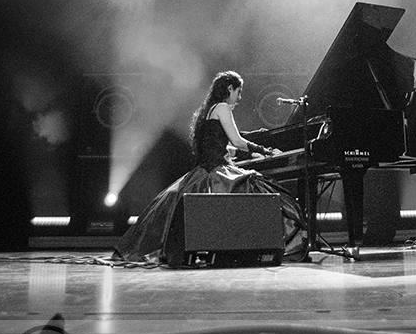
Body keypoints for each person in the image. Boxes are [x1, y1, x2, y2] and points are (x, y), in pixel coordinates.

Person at [113, 71, 306, 264]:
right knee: (267, 193)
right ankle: (274, 246)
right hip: (216, 171)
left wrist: (249, 153)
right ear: (229, 88)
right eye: (239, 92)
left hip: (203, 170)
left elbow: (221, 146)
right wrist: (266, 151)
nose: (239, 98)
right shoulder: (222, 107)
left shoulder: (208, 110)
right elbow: (237, 142)